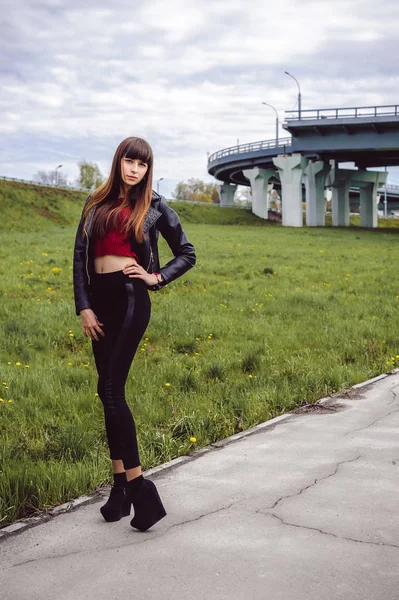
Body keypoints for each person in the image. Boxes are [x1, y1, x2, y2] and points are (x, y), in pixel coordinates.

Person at [73, 136, 196, 531]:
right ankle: (119, 489)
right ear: (119, 162)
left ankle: (140, 489)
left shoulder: (155, 206)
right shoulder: (95, 202)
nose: (135, 170)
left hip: (129, 299)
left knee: (111, 389)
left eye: (142, 165)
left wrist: (155, 277)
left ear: (148, 169)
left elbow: (187, 253)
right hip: (99, 300)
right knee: (105, 391)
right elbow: (79, 258)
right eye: (130, 161)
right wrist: (84, 306)